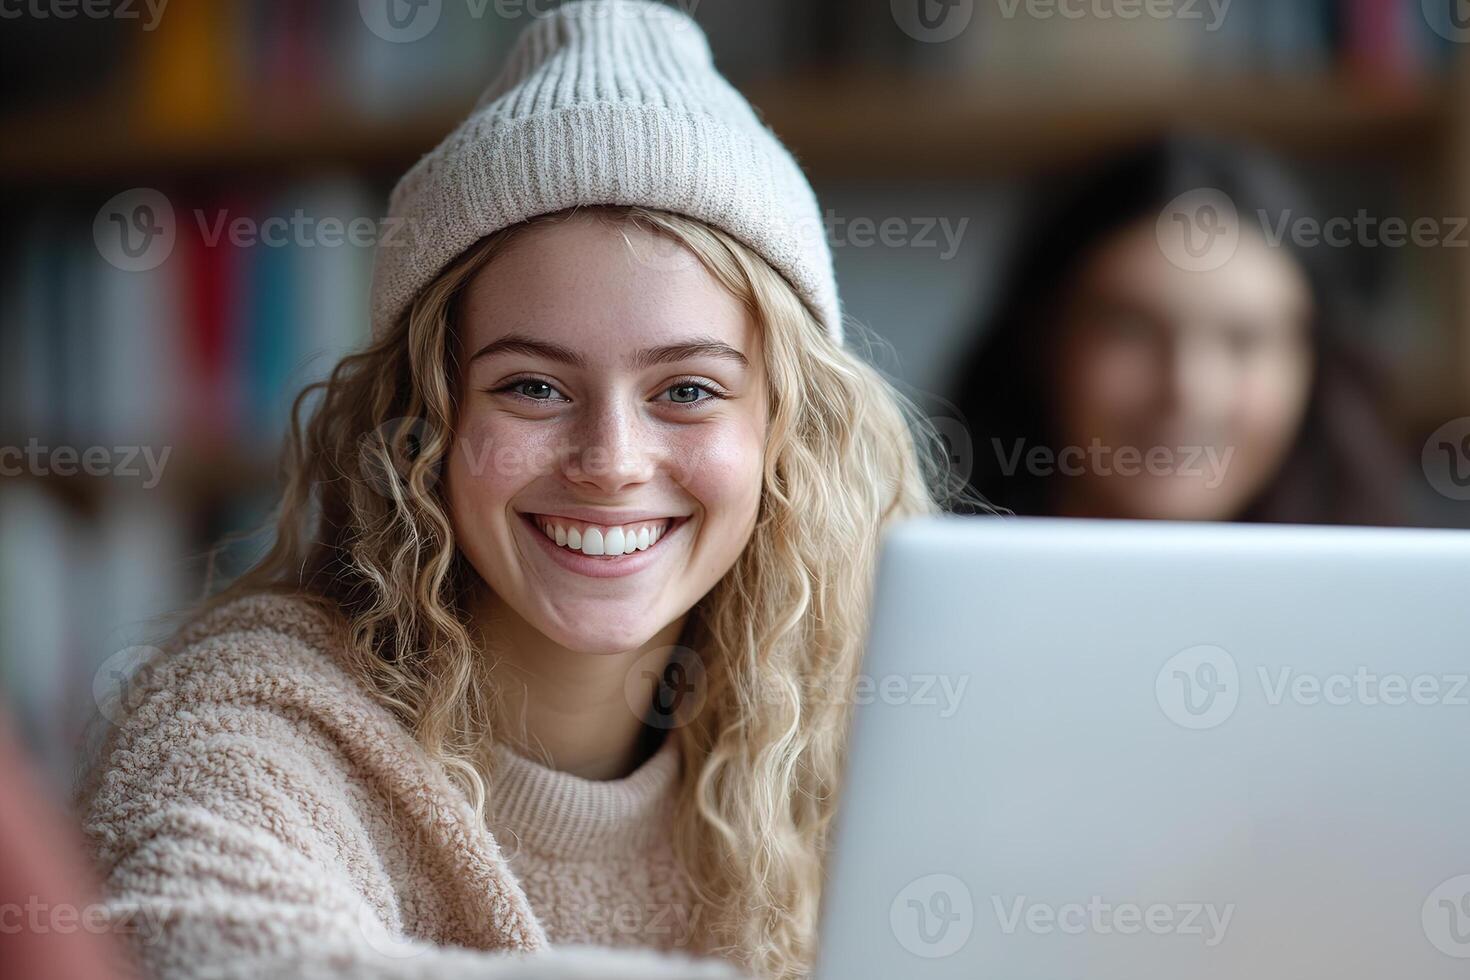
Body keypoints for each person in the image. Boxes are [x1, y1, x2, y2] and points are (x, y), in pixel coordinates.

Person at [74, 4, 944, 980]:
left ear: (787, 433)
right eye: (532, 385)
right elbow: (184, 946)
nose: (610, 460)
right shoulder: (254, 706)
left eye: (688, 390)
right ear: (422, 420)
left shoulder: (846, 736)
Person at [948, 136, 1404, 525]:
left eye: (1244, 339)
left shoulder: (1410, 608)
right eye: (1132, 331)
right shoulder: (905, 593)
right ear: (1042, 341)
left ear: (1313, 363)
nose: (1188, 389)